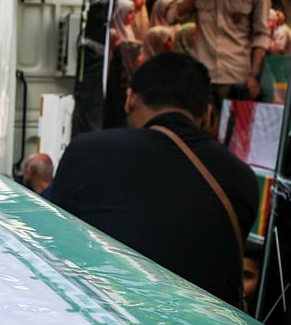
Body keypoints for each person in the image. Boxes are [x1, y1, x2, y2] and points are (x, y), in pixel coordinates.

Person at [48, 52, 258, 308]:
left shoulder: (88, 151)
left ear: (129, 100)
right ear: (208, 114)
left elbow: (51, 238)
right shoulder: (242, 178)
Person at [170, 0, 270, 99]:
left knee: (232, 124)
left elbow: (261, 35)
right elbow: (172, 16)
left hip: (236, 77)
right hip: (203, 77)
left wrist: (254, 75)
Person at [105, 0, 142, 128]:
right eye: (129, 12)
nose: (132, 16)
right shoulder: (113, 34)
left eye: (133, 12)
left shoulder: (131, 32)